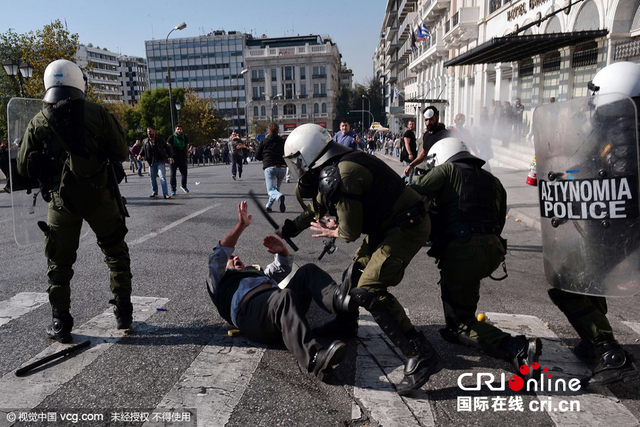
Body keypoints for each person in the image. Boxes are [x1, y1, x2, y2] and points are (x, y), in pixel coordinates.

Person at [278, 124, 442, 396]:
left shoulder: (342, 173)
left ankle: (421, 353)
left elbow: (350, 232)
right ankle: (346, 324)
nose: (297, 168)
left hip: (407, 225)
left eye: (298, 161)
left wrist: (335, 231)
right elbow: (318, 207)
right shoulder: (333, 166)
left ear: (309, 154)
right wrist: (290, 228)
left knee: (369, 288)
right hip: (386, 225)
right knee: (353, 274)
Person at [16, 59, 133, 343]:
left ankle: (60, 322)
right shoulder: (97, 112)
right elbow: (121, 151)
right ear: (79, 81)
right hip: (100, 195)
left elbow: (21, 168)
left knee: (59, 262)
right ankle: (124, 313)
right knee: (116, 253)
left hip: (61, 201)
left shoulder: (38, 120)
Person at [537, 62, 640, 386]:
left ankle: (609, 352)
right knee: (587, 276)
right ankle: (593, 338)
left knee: (568, 279)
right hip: (619, 227)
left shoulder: (623, 128)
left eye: (594, 96)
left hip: (622, 227)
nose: (590, 104)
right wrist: (566, 180)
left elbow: (619, 182)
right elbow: (593, 165)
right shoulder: (619, 128)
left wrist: (577, 191)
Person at [408, 137, 542, 380]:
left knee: (460, 322)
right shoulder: (493, 180)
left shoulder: (447, 170)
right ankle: (459, 324)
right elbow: (500, 220)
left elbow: (414, 192)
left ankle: (516, 347)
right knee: (464, 295)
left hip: (463, 252)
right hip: (491, 250)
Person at [207, 201, 356, 381]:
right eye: (232, 258)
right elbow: (218, 256)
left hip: (280, 310)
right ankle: (316, 358)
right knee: (283, 296)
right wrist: (240, 226)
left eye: (236, 256)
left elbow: (282, 268)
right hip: (253, 318)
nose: (236, 257)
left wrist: (282, 250)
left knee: (306, 271)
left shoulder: (256, 272)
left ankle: (338, 301)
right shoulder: (219, 281)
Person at [403, 106, 449, 177]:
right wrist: (411, 165)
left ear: (437, 118)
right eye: (426, 120)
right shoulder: (426, 134)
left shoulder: (444, 134)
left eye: (431, 120)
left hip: (442, 173)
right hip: (429, 171)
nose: (428, 123)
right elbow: (423, 154)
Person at [256, 123, 287, 213]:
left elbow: (257, 155)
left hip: (270, 166)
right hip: (282, 167)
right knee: (276, 189)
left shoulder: (264, 141)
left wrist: (265, 157)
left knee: (271, 190)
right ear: (278, 131)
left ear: (268, 131)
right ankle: (268, 206)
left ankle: (279, 197)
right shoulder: (283, 141)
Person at [139, 126, 172, 199]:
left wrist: (170, 156)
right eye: (147, 131)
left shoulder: (160, 140)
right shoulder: (145, 141)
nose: (149, 133)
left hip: (160, 161)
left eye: (150, 131)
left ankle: (165, 194)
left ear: (154, 132)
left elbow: (167, 148)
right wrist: (140, 155)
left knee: (162, 177)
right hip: (151, 162)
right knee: (152, 178)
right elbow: (143, 149)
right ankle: (155, 191)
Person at [167, 123, 189, 195]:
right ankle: (173, 189)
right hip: (173, 158)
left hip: (182, 157)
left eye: (180, 129)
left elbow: (186, 146)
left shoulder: (184, 137)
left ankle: (183, 186)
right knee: (173, 174)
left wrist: (187, 153)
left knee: (184, 173)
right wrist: (169, 156)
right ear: (175, 130)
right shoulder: (172, 138)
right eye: (178, 129)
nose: (179, 130)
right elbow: (167, 147)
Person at [400, 119, 418, 184]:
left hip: (411, 153)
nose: (411, 126)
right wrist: (410, 154)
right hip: (407, 154)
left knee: (410, 169)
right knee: (410, 169)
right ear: (408, 125)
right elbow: (407, 144)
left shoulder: (412, 133)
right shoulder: (407, 133)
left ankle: (402, 179)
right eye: (410, 124)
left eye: (412, 124)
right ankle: (408, 182)